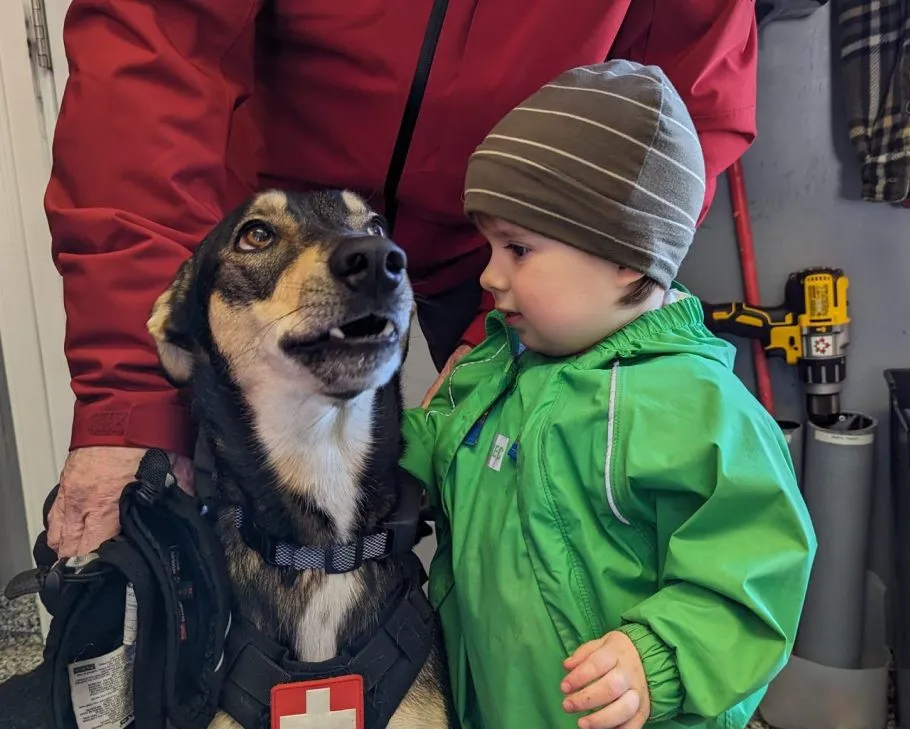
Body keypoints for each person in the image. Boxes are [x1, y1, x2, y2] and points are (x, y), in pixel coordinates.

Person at [42, 0, 758, 559]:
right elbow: (153, 57)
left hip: (516, 226)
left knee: (520, 514)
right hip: (270, 229)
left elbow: (690, 95)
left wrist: (525, 298)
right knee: (194, 536)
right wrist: (130, 403)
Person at [401, 61, 817, 729]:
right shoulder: (490, 372)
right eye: (491, 247)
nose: (489, 276)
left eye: (520, 249)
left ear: (625, 256)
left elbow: (755, 576)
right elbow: (419, 460)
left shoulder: (699, 408)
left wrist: (655, 658)